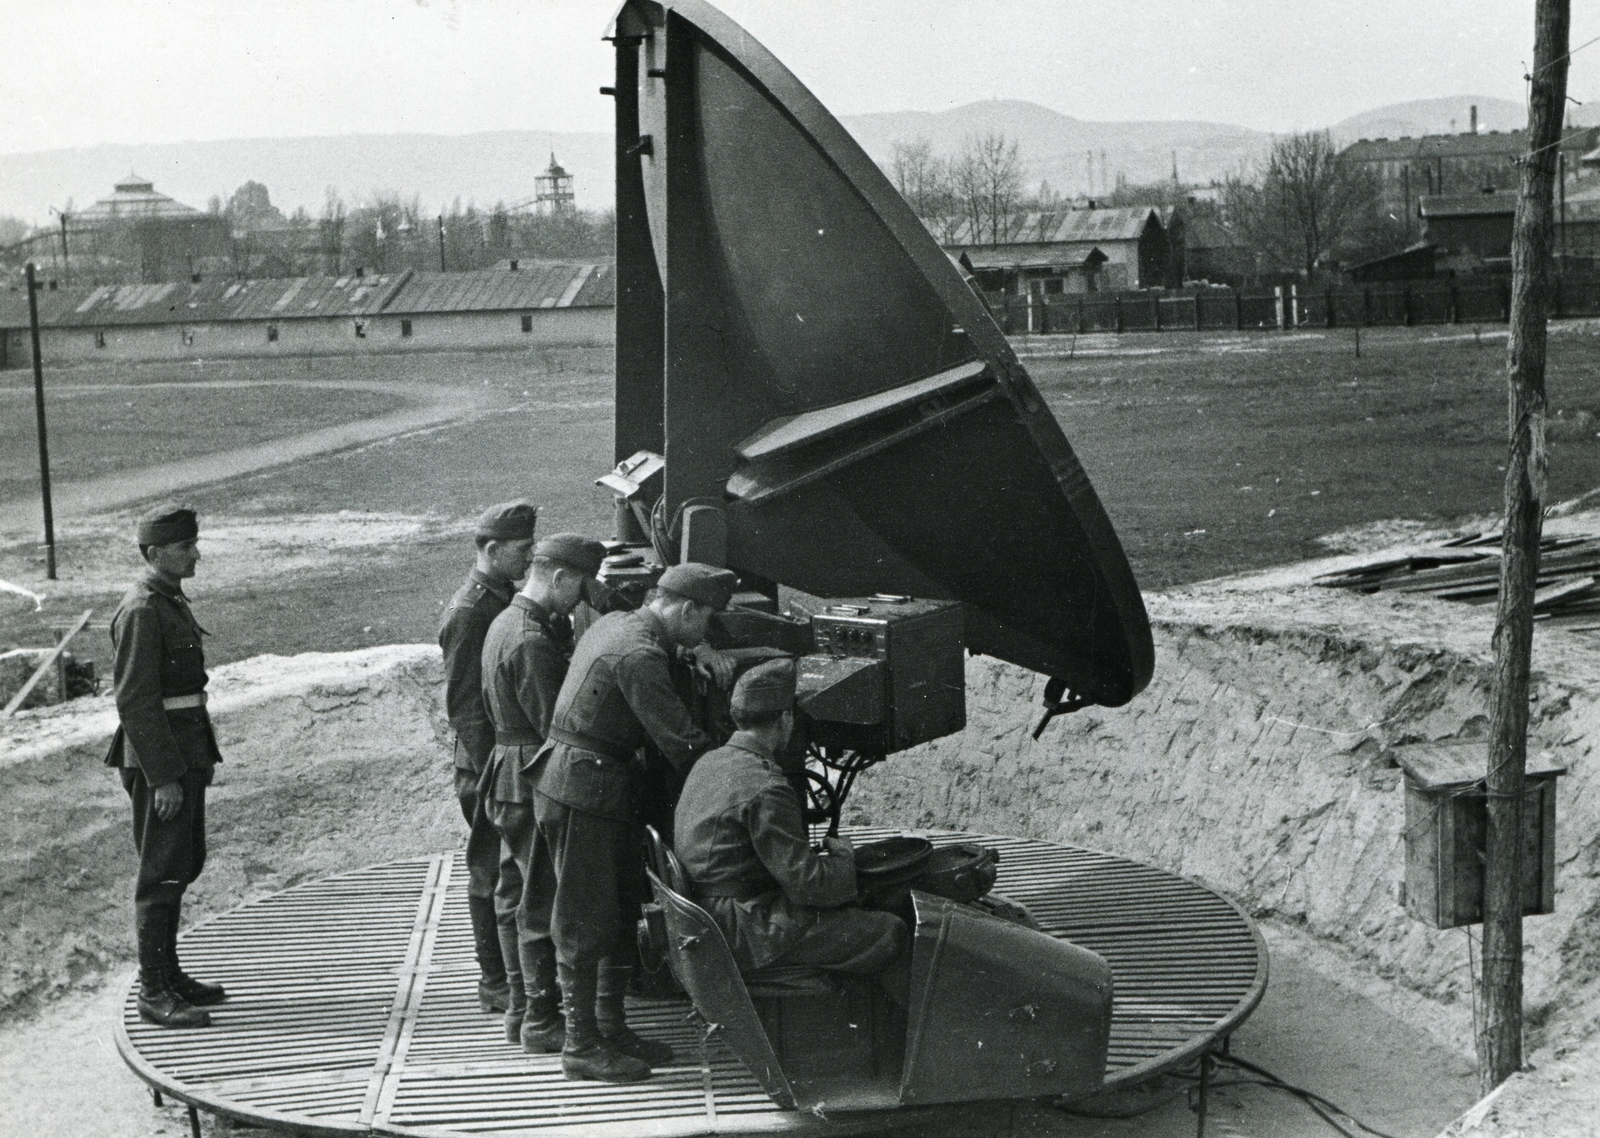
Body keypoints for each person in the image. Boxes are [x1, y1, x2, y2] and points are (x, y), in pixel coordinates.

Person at [531, 562, 738, 1083]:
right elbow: (680, 742)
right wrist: (735, 768)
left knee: (618, 907)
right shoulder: (640, 653)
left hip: (594, 784)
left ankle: (609, 1027)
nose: (705, 632)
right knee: (584, 916)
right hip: (586, 790)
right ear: (686, 610)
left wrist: (692, 654)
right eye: (705, 621)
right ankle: (580, 1045)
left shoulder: (622, 624)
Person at [673, 658, 909, 986]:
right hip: (745, 928)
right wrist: (844, 857)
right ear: (786, 720)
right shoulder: (766, 786)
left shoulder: (709, 762)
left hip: (708, 915)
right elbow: (808, 886)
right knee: (889, 931)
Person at [480, 533, 607, 1054]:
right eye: (579, 589)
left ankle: (522, 1009)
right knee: (542, 902)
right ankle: (542, 1020)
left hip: (506, 771)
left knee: (517, 893)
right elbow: (556, 722)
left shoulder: (505, 621)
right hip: (532, 773)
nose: (580, 602)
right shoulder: (531, 640)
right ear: (559, 578)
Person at [105, 504, 226, 1029]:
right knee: (160, 873)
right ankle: (153, 993)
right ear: (155, 554)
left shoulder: (167, 600)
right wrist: (164, 777)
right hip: (161, 762)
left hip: (184, 750)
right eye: (185, 547)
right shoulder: (142, 610)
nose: (196, 553)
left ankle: (169, 974)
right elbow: (135, 701)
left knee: (183, 861)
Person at [440, 500, 537, 1012]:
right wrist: (492, 774)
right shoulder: (470, 612)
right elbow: (465, 707)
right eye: (522, 549)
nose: (531, 557)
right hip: (484, 766)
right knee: (489, 872)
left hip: (497, 764)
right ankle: (494, 980)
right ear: (493, 550)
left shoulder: (497, 599)